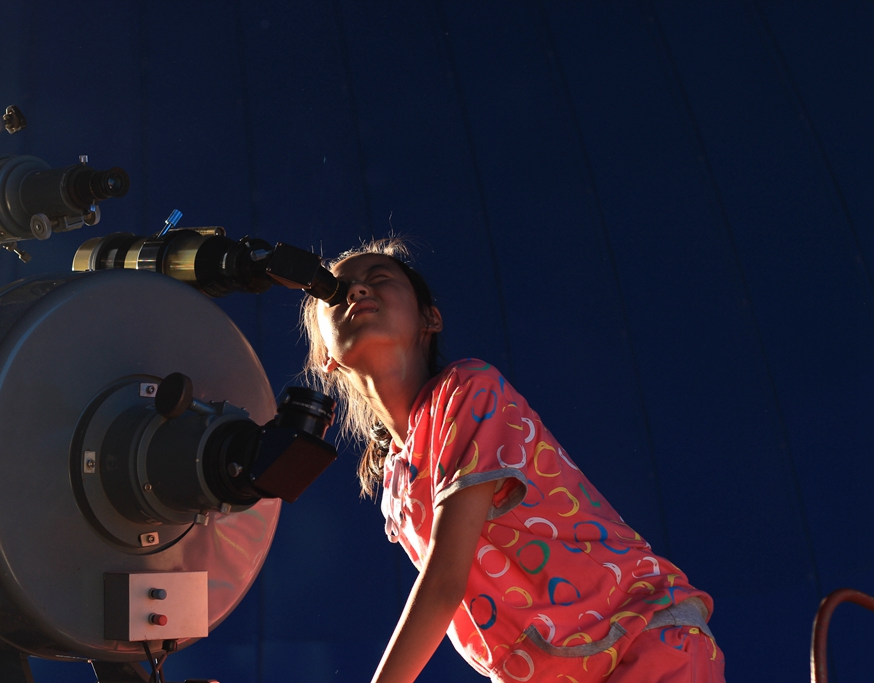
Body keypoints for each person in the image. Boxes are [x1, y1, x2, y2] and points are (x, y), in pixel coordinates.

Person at [300, 237, 725, 683]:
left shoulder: (468, 389)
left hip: (645, 641)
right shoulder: (397, 477)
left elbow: (443, 585)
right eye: (337, 291)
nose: (357, 290)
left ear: (431, 318)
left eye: (379, 278)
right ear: (326, 356)